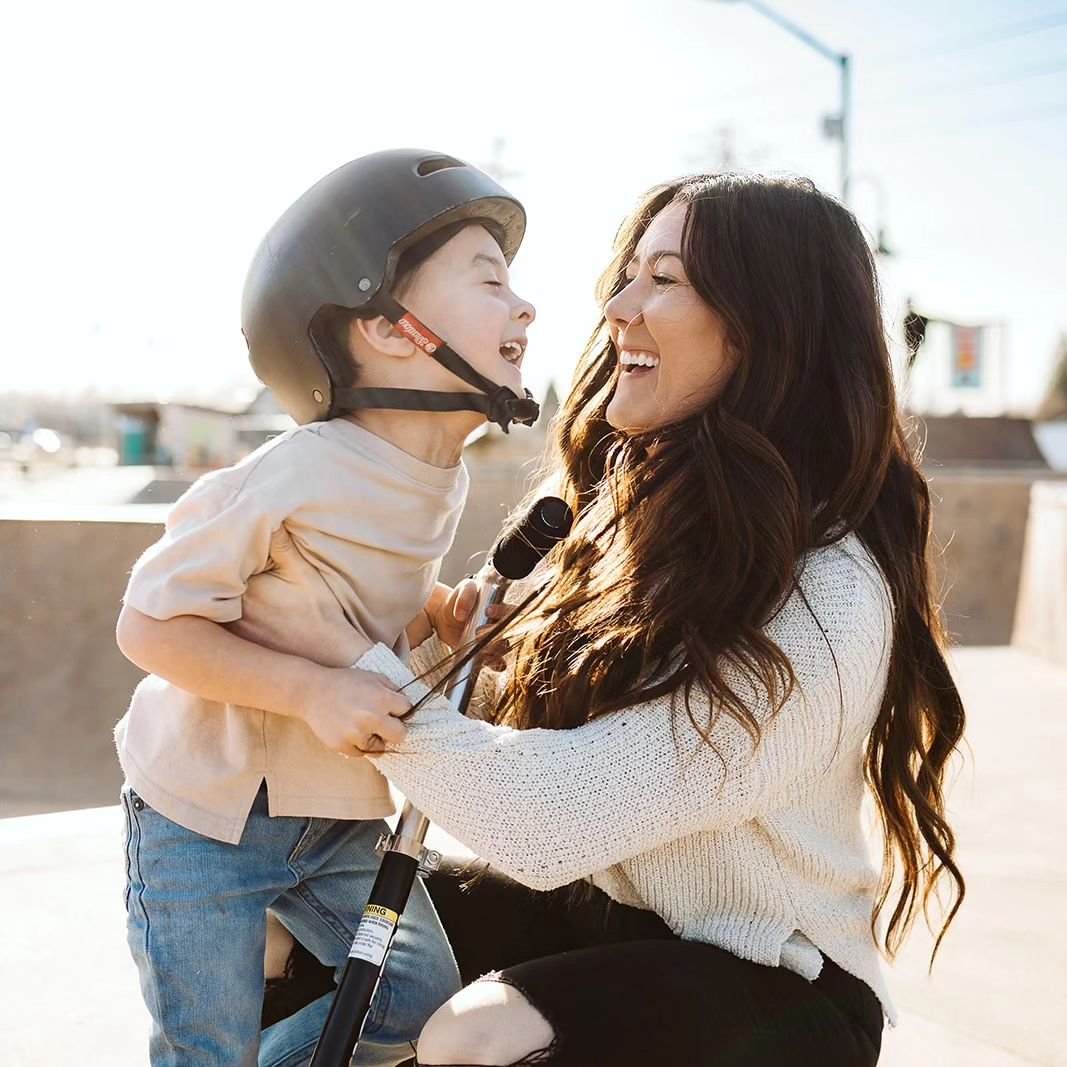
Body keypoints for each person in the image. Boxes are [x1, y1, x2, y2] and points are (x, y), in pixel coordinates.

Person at [238, 172, 967, 1067]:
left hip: (775, 986)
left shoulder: (830, 592)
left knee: (479, 1037)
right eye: (628, 273)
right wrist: (458, 658)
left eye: (663, 279)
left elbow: (553, 819)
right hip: (607, 917)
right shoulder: (640, 524)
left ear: (770, 325)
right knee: (288, 914)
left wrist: (341, 660)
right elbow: (531, 741)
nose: (617, 305)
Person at [112, 148, 538, 1067]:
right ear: (389, 329)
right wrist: (309, 692)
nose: (523, 305)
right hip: (201, 815)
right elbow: (149, 623)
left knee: (412, 1008)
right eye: (489, 278)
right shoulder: (298, 468)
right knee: (202, 1046)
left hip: (333, 813)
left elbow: (348, 588)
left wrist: (433, 617)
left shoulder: (438, 474)